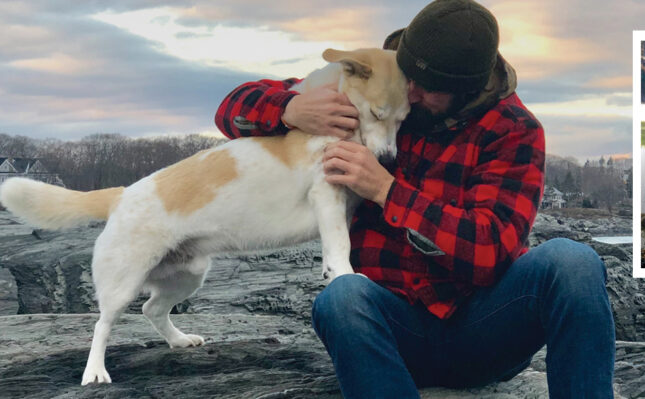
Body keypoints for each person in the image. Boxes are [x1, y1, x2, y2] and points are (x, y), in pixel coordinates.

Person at [215, 0, 615, 397]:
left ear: (467, 89)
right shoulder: (382, 86)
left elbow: (489, 251)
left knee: (573, 262)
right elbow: (229, 108)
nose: (412, 92)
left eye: (430, 88)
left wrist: (386, 191)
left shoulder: (513, 129)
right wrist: (291, 108)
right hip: (392, 328)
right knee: (341, 297)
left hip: (485, 330)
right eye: (409, 76)